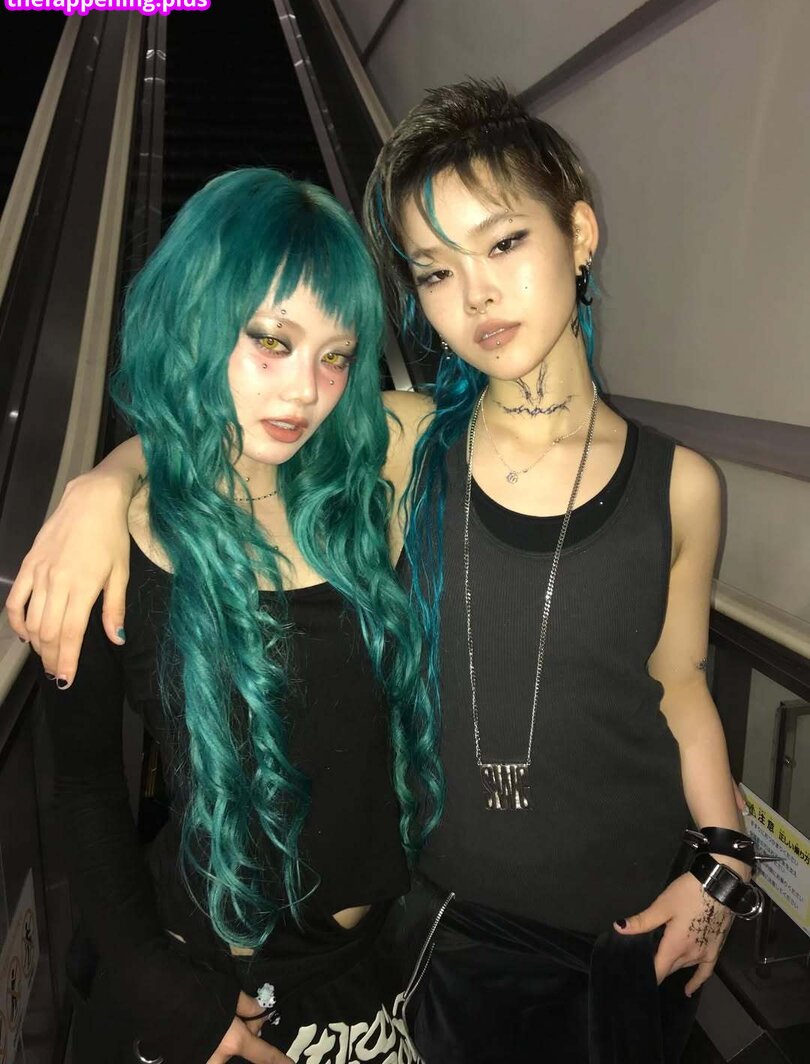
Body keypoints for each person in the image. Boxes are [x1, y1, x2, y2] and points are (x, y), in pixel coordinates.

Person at [8, 83, 757, 1062]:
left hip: (621, 932)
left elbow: (682, 682)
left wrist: (726, 860)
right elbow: (230, 441)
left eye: (503, 243)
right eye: (436, 270)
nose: (477, 295)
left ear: (579, 234)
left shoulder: (679, 484)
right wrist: (101, 486)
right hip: (438, 939)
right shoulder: (409, 445)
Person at [22, 168, 443, 1064]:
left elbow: (522, 415)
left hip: (374, 980)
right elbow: (86, 785)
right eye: (271, 342)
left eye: (335, 356)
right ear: (196, 319)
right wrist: (159, 986)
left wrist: (111, 470)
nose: (305, 392)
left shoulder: (372, 471)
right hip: (222, 982)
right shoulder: (114, 547)